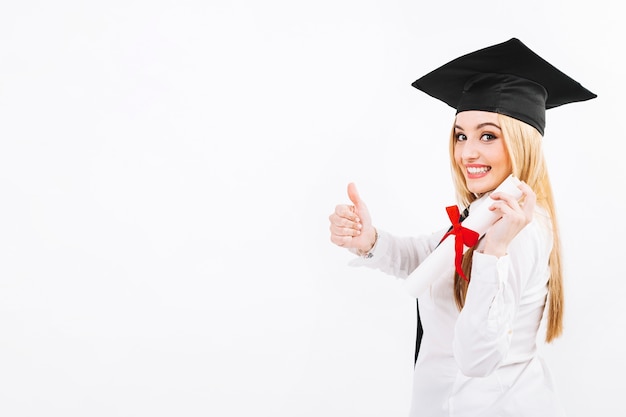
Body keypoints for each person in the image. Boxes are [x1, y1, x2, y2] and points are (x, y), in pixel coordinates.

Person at [328, 38, 596, 417]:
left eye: (488, 135)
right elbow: (433, 260)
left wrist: (493, 253)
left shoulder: (519, 232)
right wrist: (370, 240)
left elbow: (476, 358)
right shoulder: (487, 211)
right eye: (461, 135)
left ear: (522, 144)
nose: (467, 151)